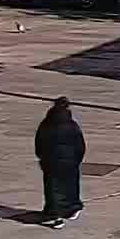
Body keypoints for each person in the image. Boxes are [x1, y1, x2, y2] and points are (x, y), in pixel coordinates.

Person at [35, 98, 86, 228]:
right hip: (69, 161)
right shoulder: (72, 125)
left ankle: (55, 215)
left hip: (51, 161)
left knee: (53, 189)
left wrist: (42, 158)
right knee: (69, 187)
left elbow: (39, 142)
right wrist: (77, 159)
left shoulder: (46, 124)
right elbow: (80, 145)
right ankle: (71, 208)